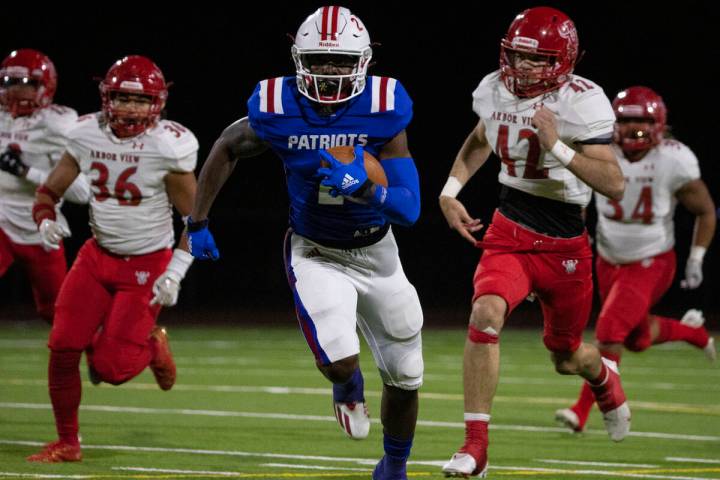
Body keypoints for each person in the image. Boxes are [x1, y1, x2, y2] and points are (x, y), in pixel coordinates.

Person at [185, 6, 422, 479]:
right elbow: (228, 145)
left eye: (340, 61)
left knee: (406, 375)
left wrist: (366, 189)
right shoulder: (278, 104)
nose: (329, 71)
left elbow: (409, 208)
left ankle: (394, 468)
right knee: (338, 361)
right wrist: (197, 221)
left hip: (378, 252)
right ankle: (347, 384)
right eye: (318, 59)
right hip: (315, 250)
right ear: (298, 58)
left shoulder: (383, 107)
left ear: (364, 61)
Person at [438, 7, 631, 477]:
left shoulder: (583, 100)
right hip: (511, 226)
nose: (523, 69)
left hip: (566, 242)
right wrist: (449, 190)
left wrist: (558, 146)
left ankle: (605, 379)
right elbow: (482, 136)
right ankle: (475, 447)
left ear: (562, 60)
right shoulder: (493, 88)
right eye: (517, 58)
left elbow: (614, 182)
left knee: (566, 358)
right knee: (485, 313)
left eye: (538, 60)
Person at [26, 55, 198, 463]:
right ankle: (68, 442)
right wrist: (45, 218)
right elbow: (47, 193)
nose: (130, 109)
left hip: (146, 264)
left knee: (111, 369)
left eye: (140, 101)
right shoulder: (86, 134)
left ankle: (154, 345)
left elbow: (199, 221)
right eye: (122, 98)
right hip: (96, 257)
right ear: (106, 98)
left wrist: (176, 271)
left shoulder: (167, 146)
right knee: (63, 346)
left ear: (157, 104)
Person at [555, 86, 716, 434]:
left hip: (652, 259)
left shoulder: (674, 158)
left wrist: (697, 257)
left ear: (659, 124)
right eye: (626, 121)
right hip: (608, 257)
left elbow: (705, 210)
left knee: (609, 331)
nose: (634, 130)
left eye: (642, 122)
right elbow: (577, 204)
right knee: (636, 338)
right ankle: (693, 333)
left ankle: (586, 410)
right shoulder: (599, 150)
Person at [0, 48, 90, 323]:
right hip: (2, 221)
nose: (17, 91)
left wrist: (26, 171)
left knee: (57, 313)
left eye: (28, 83)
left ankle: (101, 360)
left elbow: (82, 192)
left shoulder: (59, 124)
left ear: (46, 85)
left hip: (42, 228)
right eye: (10, 82)